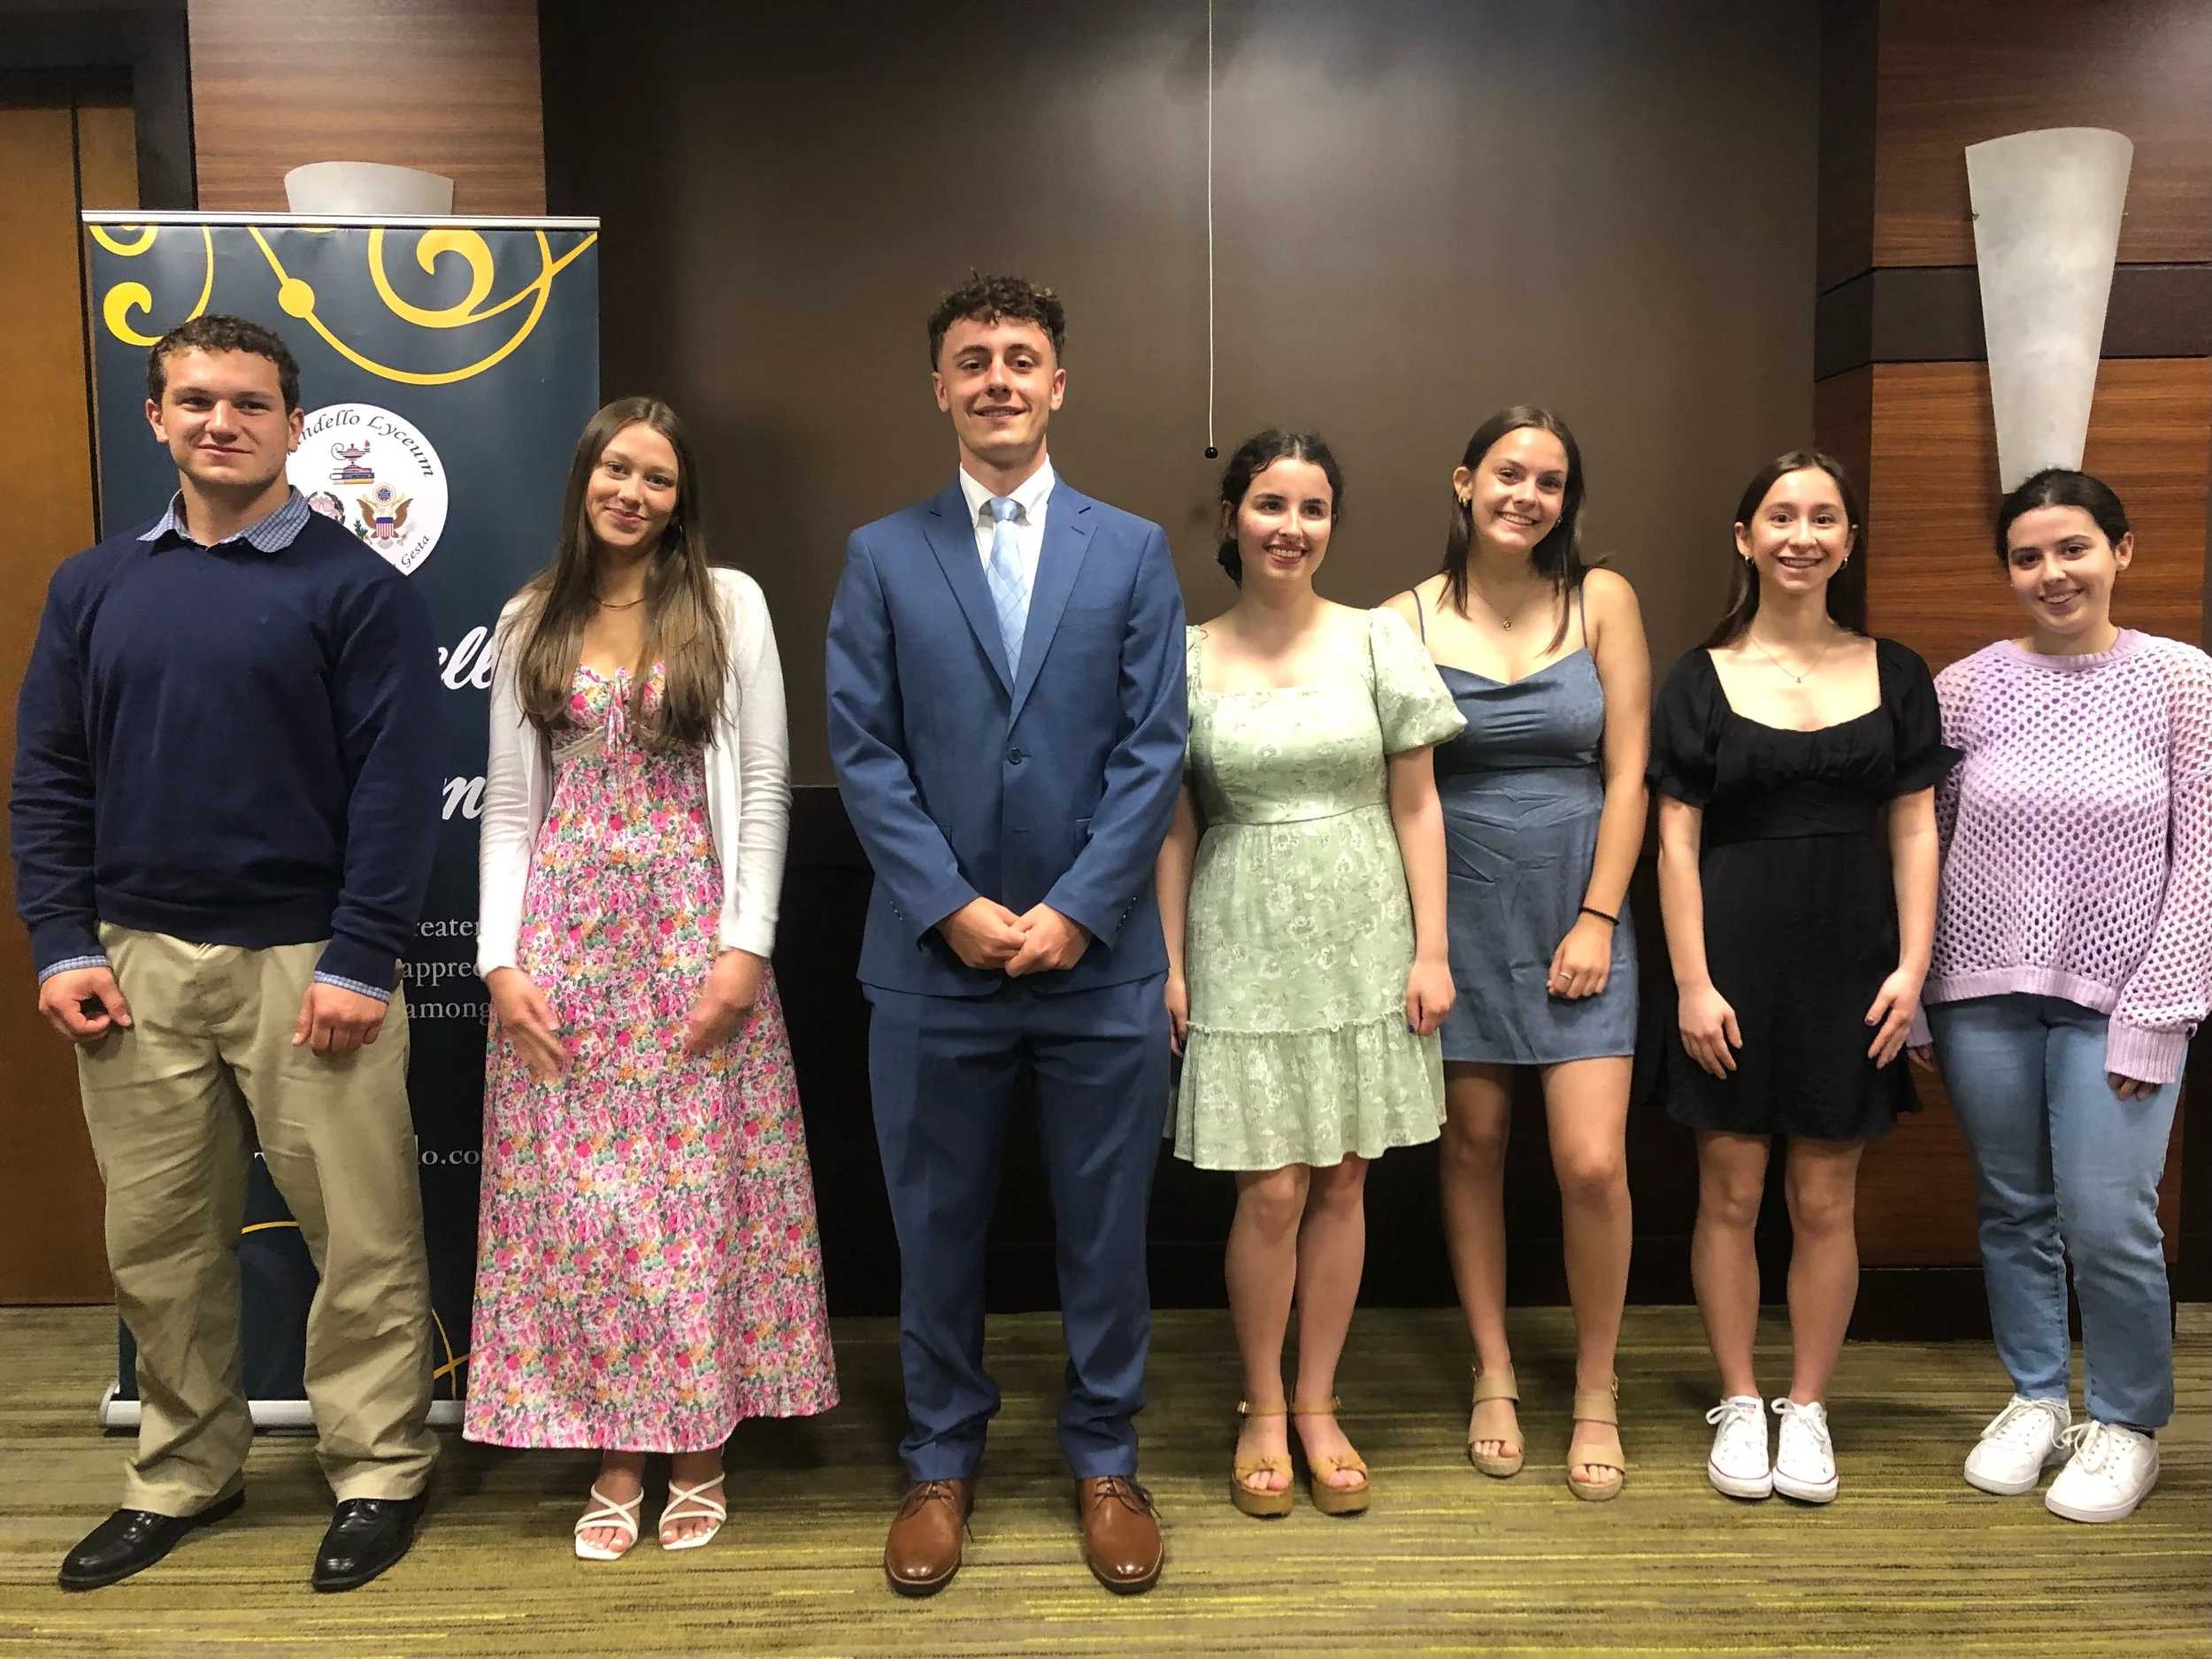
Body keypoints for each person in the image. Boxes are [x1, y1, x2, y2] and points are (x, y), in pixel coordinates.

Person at [12, 314, 442, 1593]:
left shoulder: (357, 588)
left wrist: (363, 956)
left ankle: (377, 1468)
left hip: (312, 963)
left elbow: (396, 788)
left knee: (360, 1238)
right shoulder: (92, 586)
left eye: (251, 403)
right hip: (134, 963)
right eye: (196, 399)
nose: (222, 421)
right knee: (160, 1243)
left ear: (292, 428)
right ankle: (183, 1469)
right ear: (156, 416)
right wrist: (56, 939)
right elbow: (48, 775)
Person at [825, 274, 1186, 1596]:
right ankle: (939, 1458)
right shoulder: (882, 552)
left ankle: (1103, 1453)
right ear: (939, 385)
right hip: (932, 959)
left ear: (1057, 383)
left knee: (1106, 1226)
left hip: (1099, 965)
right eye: (971, 359)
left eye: (1020, 358)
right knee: (936, 1227)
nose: (996, 379)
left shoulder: (1134, 546)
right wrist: (957, 905)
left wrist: (1083, 909)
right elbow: (863, 753)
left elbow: (1155, 749)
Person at [469, 397, 837, 1558]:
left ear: (683, 498)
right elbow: (512, 811)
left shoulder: (729, 604)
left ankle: (697, 1446)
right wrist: (498, 960)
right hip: (567, 955)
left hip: (692, 944)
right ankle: (611, 1447)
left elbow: (768, 781)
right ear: (584, 477)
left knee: (692, 1206)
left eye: (659, 478)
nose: (634, 491)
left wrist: (748, 946)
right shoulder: (532, 614)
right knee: (589, 1216)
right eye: (616, 469)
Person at [1159, 431, 1463, 1519]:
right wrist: (1173, 961)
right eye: (1270, 504)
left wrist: (1430, 947)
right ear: (1233, 515)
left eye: (1314, 507)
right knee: (1270, 1186)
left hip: (1365, 923)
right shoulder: (1184, 653)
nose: (1291, 525)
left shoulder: (1378, 639)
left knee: (1343, 1174)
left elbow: (1418, 801)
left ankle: (1320, 1401)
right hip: (1239, 921)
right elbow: (1174, 824)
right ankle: (1258, 1405)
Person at [1649, 450, 1954, 1507]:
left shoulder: (1896, 670)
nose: (1801, 535)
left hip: (1852, 966)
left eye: (1823, 517)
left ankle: (1807, 1405)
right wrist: (1690, 980)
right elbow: (1674, 845)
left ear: (1847, 540)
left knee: (1826, 1198)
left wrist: (1912, 967)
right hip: (1729, 962)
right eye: (1780, 516)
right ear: (1745, 538)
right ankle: (1738, 1399)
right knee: (1728, 1194)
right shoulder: (1696, 675)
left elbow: (1914, 826)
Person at [1909, 469, 2210, 1525]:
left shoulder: (2181, 681)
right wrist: (1912, 990)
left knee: (2108, 1215)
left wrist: (2158, 1007)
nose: (2051, 573)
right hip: (1975, 992)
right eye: (2028, 556)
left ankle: (2125, 1420)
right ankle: (2037, 1396)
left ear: (2120, 553)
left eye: (2072, 548)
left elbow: (2201, 858)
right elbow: (1921, 845)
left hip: (2122, 998)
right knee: (2012, 1209)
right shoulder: (1965, 687)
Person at [1385, 407, 1648, 1501]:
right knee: (1474, 1149)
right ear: (1462, 482)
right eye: (1506, 473)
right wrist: (1427, 942)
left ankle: (1596, 1385)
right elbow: (1403, 788)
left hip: (1579, 899)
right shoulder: (1399, 616)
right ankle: (1493, 1370)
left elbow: (1632, 770)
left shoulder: (1604, 597)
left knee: (1590, 1162)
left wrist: (1595, 916)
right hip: (1461, 907)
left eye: (1548, 481)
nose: (1526, 495)